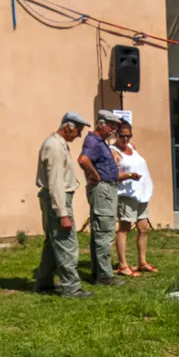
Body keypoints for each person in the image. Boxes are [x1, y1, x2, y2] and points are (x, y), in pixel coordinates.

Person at [34, 112, 93, 298]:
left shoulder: (57, 144)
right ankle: (72, 288)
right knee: (67, 243)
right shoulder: (55, 147)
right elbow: (55, 182)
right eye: (78, 131)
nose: (79, 136)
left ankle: (44, 283)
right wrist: (62, 213)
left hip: (56, 198)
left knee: (53, 242)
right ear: (68, 127)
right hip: (58, 199)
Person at [78, 109, 123, 286]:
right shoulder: (93, 141)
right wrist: (95, 175)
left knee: (101, 230)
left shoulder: (99, 142)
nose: (113, 131)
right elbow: (83, 160)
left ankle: (99, 273)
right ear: (101, 124)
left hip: (106, 190)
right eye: (111, 126)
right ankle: (105, 275)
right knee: (104, 231)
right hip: (103, 190)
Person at [112, 120, 157, 275]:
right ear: (116, 135)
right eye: (123, 136)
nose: (126, 139)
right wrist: (129, 175)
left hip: (141, 193)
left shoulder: (132, 147)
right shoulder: (113, 151)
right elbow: (113, 176)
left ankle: (142, 261)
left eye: (129, 136)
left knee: (143, 228)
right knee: (124, 228)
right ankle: (123, 265)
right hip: (126, 195)